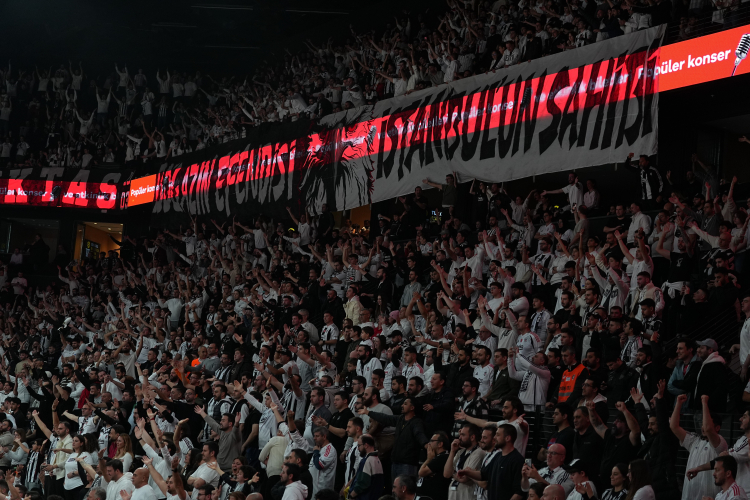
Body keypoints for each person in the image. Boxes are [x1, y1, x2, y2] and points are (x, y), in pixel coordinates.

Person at [671, 394, 728, 500]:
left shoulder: (720, 443)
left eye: (706, 423)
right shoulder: (694, 441)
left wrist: (704, 403)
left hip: (709, 497)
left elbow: (708, 429)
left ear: (717, 428)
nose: (703, 427)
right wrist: (678, 403)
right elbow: (674, 427)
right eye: (702, 423)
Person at [457, 424, 524, 500]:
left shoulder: (517, 460)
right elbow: (483, 474)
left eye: (498, 435)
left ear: (507, 438)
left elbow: (519, 493)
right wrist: (466, 472)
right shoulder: (497, 456)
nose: (494, 437)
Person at [348, 435, 384, 500]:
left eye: (359, 445)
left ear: (366, 445)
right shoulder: (377, 460)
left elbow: (363, 483)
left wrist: (352, 495)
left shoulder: (367, 461)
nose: (358, 448)